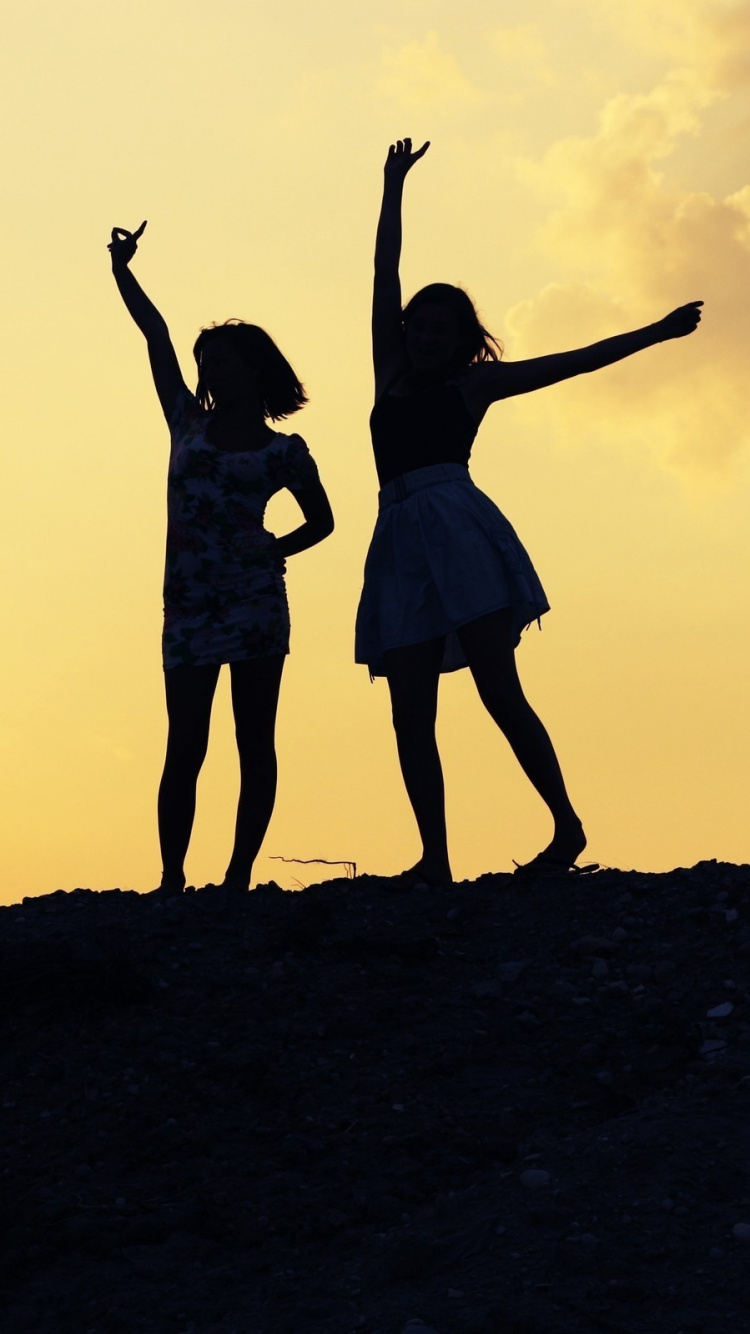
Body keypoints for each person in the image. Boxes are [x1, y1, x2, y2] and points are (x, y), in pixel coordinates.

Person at [355, 139, 703, 886]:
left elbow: (575, 361)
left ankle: (566, 825)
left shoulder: (473, 387)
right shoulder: (389, 370)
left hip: (457, 529)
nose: (425, 335)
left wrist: (657, 331)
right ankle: (435, 860)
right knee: (409, 708)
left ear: (462, 343)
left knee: (497, 688)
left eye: (441, 329)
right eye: (419, 325)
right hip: (398, 537)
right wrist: (392, 186)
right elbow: (384, 273)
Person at [109, 222, 334, 896]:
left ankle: (238, 876)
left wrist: (277, 548)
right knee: (186, 743)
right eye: (205, 362)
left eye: (223, 361)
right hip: (188, 608)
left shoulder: (284, 452)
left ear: (254, 369)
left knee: (253, 740)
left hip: (255, 604)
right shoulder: (187, 422)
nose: (209, 371)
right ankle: (172, 878)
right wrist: (122, 270)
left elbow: (323, 522)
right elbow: (155, 336)